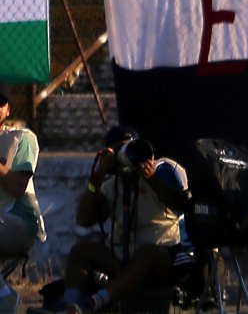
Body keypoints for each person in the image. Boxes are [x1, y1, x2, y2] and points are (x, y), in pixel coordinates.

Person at [52, 126, 194, 313]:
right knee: (82, 249)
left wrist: (152, 180)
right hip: (122, 260)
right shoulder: (111, 187)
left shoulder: (163, 170)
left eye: (133, 147)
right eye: (124, 150)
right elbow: (84, 219)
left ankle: (93, 303)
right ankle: (70, 304)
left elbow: (182, 204)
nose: (131, 155)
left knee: (146, 253)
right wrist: (97, 178)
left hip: (160, 259)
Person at [0, 93, 44, 256]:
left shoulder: (21, 138)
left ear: (8, 110)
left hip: (19, 220)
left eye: (1, 103)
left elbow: (18, 188)